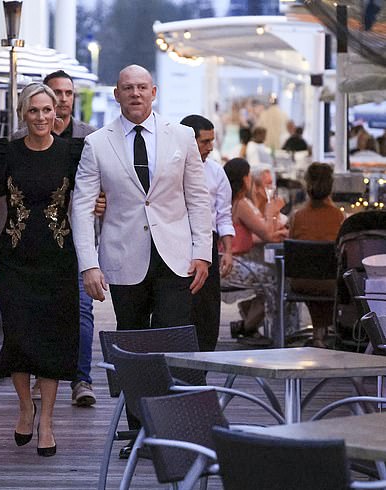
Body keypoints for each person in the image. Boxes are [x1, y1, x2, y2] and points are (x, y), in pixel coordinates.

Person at [71, 64, 212, 458]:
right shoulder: (98, 143)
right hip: (122, 257)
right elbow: (81, 208)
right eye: (127, 88)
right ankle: (140, 434)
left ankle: (179, 430)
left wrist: (203, 252)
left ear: (155, 92)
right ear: (116, 94)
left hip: (175, 258)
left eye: (141, 88)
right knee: (132, 344)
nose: (135, 94)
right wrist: (88, 264)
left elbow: (199, 198)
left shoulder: (182, 136)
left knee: (174, 342)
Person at [0, 83, 83, 457]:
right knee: (20, 337)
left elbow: (88, 197)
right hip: (14, 259)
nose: (42, 117)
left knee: (52, 341)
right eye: (34, 111)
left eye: (48, 111)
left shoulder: (72, 153)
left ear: (56, 114)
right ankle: (26, 407)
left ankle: (47, 422)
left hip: (58, 259)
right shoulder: (4, 153)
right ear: (23, 114)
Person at [13, 70, 97, 407]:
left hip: (76, 243)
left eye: (68, 94)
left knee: (82, 311)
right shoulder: (17, 142)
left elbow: (100, 185)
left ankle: (81, 378)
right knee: (35, 315)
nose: (62, 100)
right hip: (30, 244)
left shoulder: (88, 139)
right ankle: (39, 376)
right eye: (56, 93)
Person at [180, 114, 235, 351]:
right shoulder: (170, 167)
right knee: (179, 307)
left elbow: (224, 214)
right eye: (205, 142)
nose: (210, 148)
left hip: (208, 242)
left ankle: (203, 363)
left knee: (207, 310)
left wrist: (228, 251)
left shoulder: (216, 172)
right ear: (189, 141)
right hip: (176, 240)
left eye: (212, 141)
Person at [222, 158, 287, 345]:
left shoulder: (231, 200)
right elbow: (267, 234)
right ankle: (252, 328)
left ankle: (249, 323)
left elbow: (268, 234)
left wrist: (272, 214)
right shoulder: (241, 204)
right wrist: (271, 209)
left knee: (271, 276)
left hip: (228, 262)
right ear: (244, 179)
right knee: (276, 278)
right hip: (234, 263)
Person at [289, 162, 344, 348]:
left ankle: (318, 333)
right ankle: (322, 332)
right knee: (329, 276)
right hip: (329, 284)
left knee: (313, 275)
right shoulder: (338, 217)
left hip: (300, 283)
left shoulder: (297, 216)